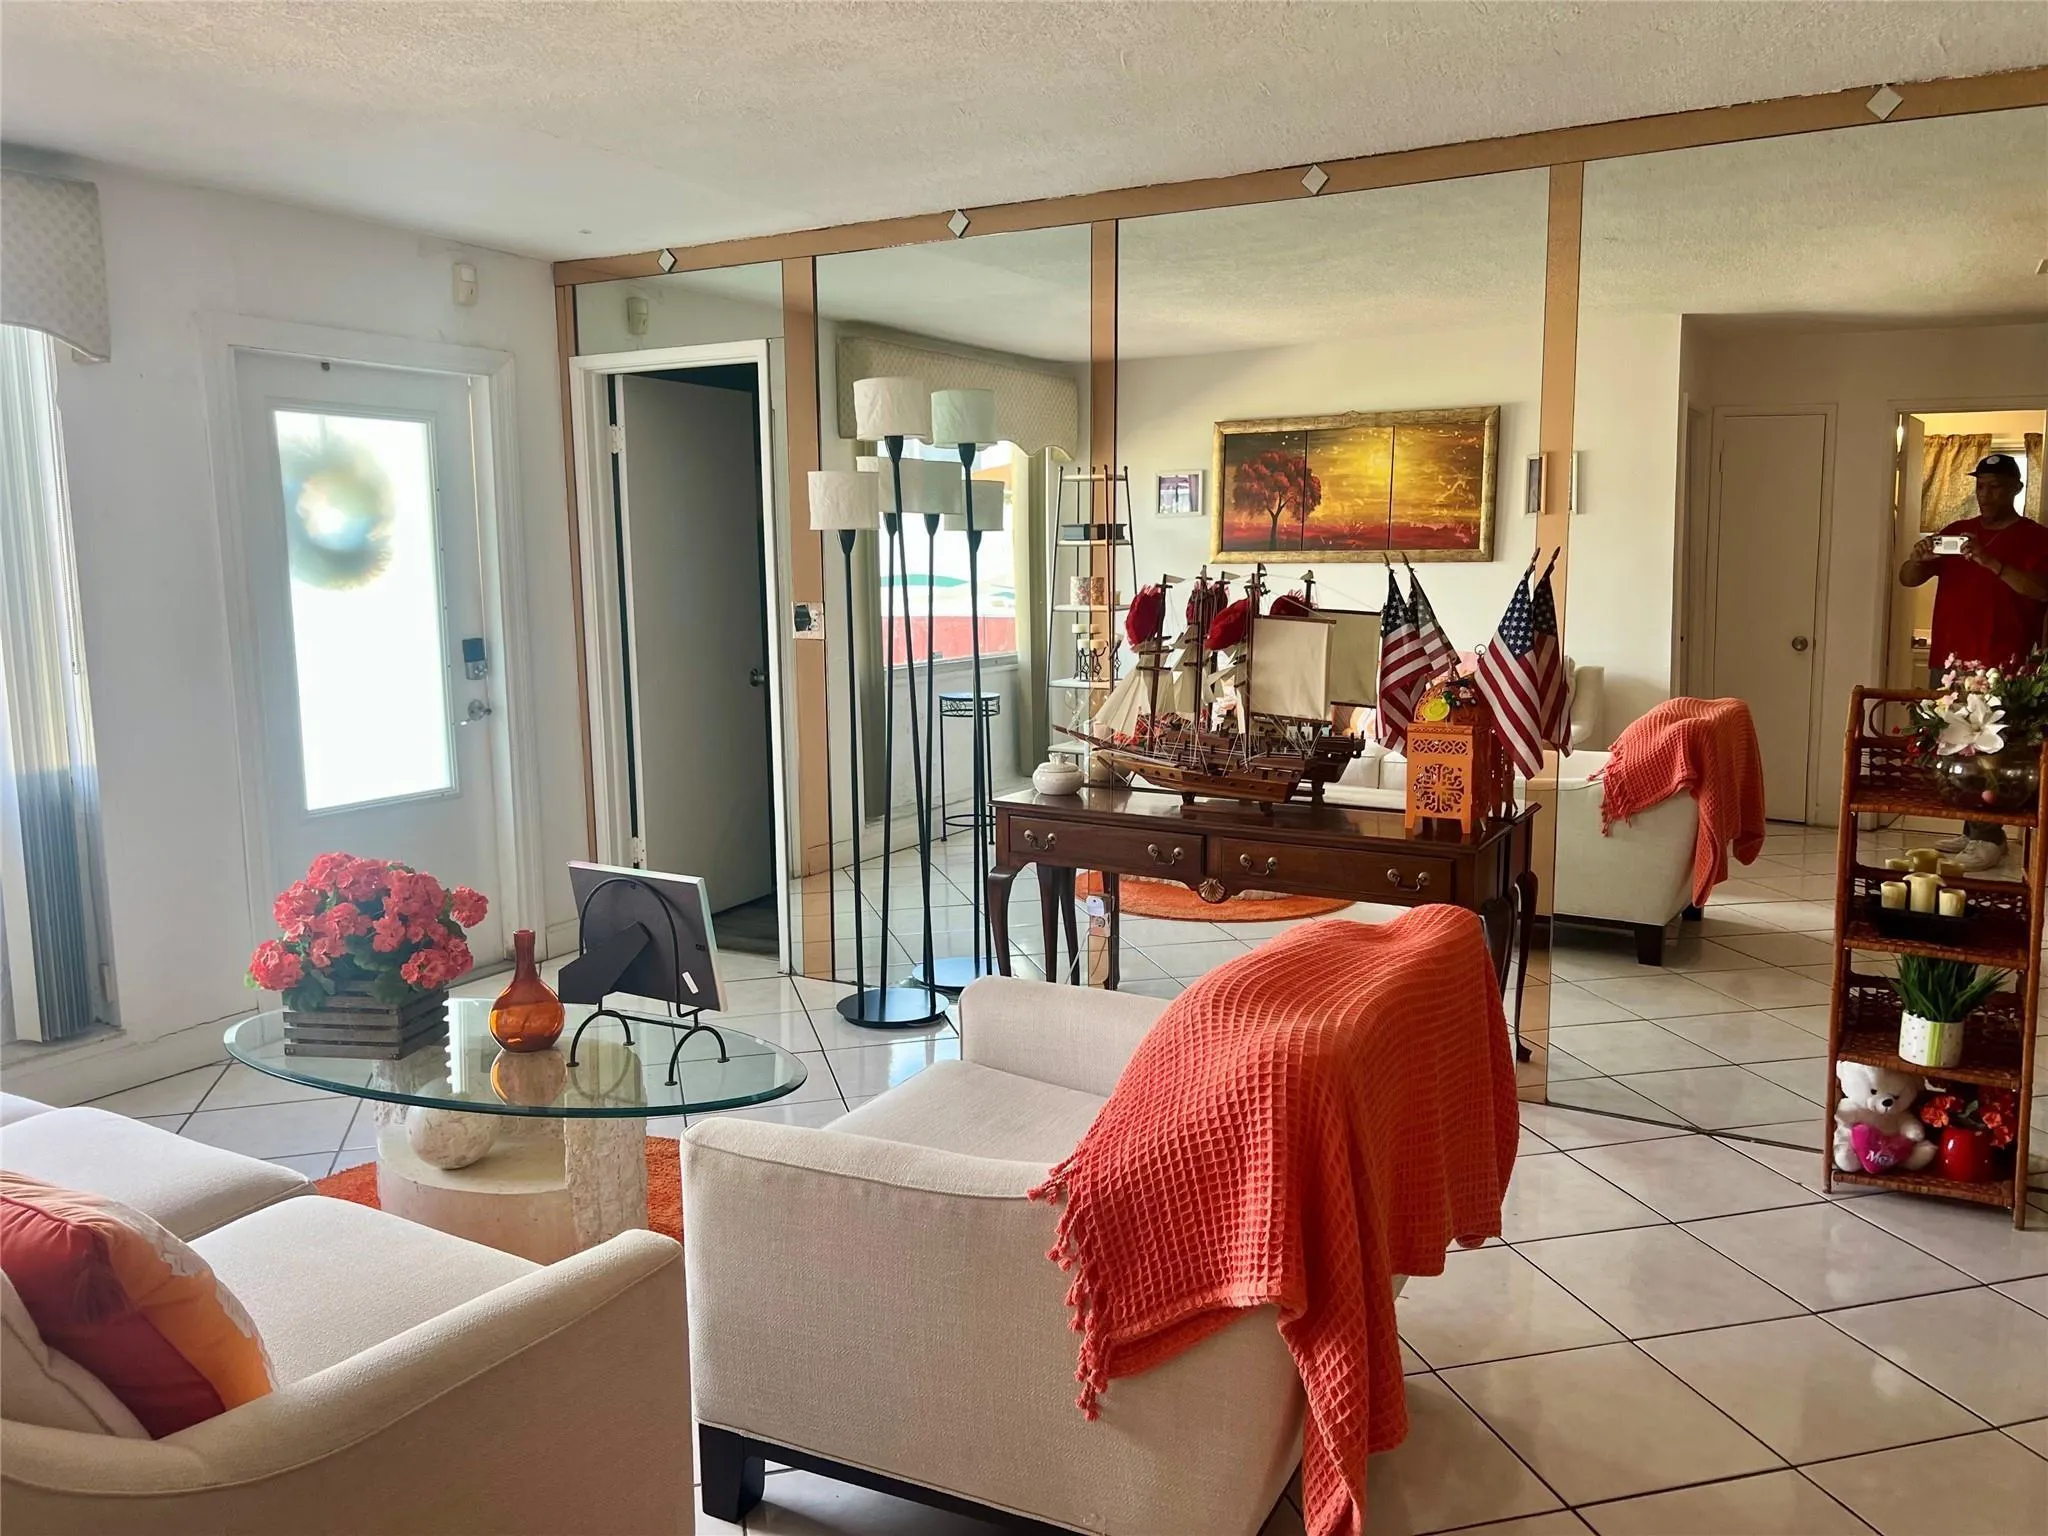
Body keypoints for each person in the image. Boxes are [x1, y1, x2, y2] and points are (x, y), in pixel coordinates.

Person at [1899, 451, 2048, 870]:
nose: (1985, 494)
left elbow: (2041, 591)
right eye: (1980, 486)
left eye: (1995, 486)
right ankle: (1974, 830)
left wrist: (1991, 562)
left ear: (2016, 487)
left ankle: (1989, 836)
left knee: (1994, 753)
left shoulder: (2037, 538)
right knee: (1953, 750)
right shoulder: (1956, 532)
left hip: (2004, 666)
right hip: (1949, 662)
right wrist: (1918, 558)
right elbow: (1907, 579)